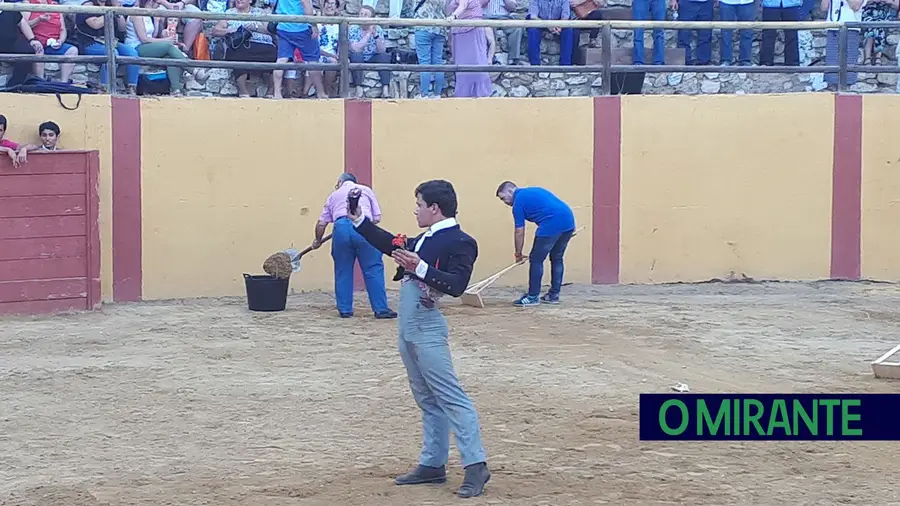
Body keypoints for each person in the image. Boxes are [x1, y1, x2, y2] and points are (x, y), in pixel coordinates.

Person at [347, 179, 491, 499]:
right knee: (426, 397)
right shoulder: (426, 237)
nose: (416, 210)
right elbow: (391, 244)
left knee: (450, 396)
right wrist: (358, 220)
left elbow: (457, 285)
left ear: (434, 209)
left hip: (426, 327)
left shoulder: (461, 241)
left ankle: (476, 464)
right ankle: (433, 463)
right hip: (409, 326)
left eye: (419, 205)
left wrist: (420, 266)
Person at [312, 173, 397, 319]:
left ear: (340, 182)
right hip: (364, 227)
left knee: (342, 270)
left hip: (341, 229)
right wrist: (361, 225)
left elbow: (321, 223)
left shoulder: (334, 195)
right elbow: (376, 218)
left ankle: (345, 310)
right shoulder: (366, 190)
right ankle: (381, 309)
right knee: (373, 268)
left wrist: (318, 240)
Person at [495, 181, 575, 306]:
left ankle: (532, 297)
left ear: (510, 191)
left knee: (536, 260)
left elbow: (519, 232)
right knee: (557, 258)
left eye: (503, 198)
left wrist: (518, 254)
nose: (504, 202)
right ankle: (553, 295)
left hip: (551, 225)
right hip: (569, 222)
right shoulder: (534, 190)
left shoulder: (518, 204)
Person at [211, 0, 276, 98]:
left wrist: (256, 27)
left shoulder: (260, 13)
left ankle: (271, 91)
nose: (239, 0)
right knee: (237, 53)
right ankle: (243, 91)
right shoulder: (229, 13)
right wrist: (230, 30)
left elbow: (270, 30)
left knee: (273, 53)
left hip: (262, 44)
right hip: (240, 45)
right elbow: (215, 31)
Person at [125, 0, 191, 96]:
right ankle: (192, 69)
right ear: (150, 2)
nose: (158, 6)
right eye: (157, 4)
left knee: (170, 57)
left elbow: (153, 35)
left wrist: (156, 22)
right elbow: (144, 39)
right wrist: (166, 40)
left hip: (147, 46)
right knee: (168, 46)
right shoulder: (137, 13)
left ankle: (175, 89)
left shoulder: (149, 14)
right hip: (136, 46)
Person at [77, 0, 139, 94]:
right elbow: (96, 24)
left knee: (132, 53)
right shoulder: (88, 5)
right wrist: (111, 11)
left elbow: (122, 28)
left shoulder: (111, 4)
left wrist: (119, 12)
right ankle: (104, 87)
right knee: (112, 54)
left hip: (111, 41)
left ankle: (131, 87)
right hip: (90, 42)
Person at [272, 0, 324, 99]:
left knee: (281, 59)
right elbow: (306, 6)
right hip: (301, 27)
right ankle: (321, 93)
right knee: (312, 60)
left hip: (283, 26)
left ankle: (277, 93)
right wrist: (314, 25)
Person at [25, 0, 80, 83]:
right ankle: (40, 81)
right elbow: (24, 25)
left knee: (73, 50)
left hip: (53, 43)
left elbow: (62, 29)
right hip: (36, 41)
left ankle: (63, 83)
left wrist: (60, 41)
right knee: (38, 49)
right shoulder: (27, 3)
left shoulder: (55, 5)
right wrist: (38, 20)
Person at [447, 0, 492, 97]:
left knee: (477, 64)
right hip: (459, 31)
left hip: (472, 30)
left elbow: (463, 6)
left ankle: (480, 95)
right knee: (462, 67)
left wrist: (453, 16)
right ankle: (464, 96)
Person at [348, 5, 392, 98]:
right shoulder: (353, 28)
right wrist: (368, 34)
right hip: (358, 56)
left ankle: (385, 88)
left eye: (366, 15)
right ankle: (358, 88)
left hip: (372, 56)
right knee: (356, 55)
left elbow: (382, 50)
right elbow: (356, 48)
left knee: (384, 56)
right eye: (361, 14)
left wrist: (375, 35)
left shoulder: (378, 29)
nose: (363, 16)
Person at [0, 0, 45, 88]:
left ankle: (15, 85)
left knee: (28, 51)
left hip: (11, 43)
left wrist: (32, 39)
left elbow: (22, 23)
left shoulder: (9, 7)